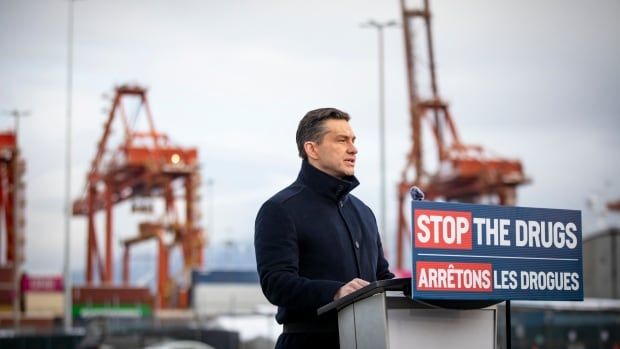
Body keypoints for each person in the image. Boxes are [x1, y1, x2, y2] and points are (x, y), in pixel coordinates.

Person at [254, 107, 394, 349]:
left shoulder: (364, 213)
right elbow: (276, 283)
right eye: (341, 140)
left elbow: (382, 278)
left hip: (369, 341)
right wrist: (335, 292)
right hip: (307, 342)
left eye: (353, 140)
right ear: (312, 149)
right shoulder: (280, 209)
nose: (353, 149)